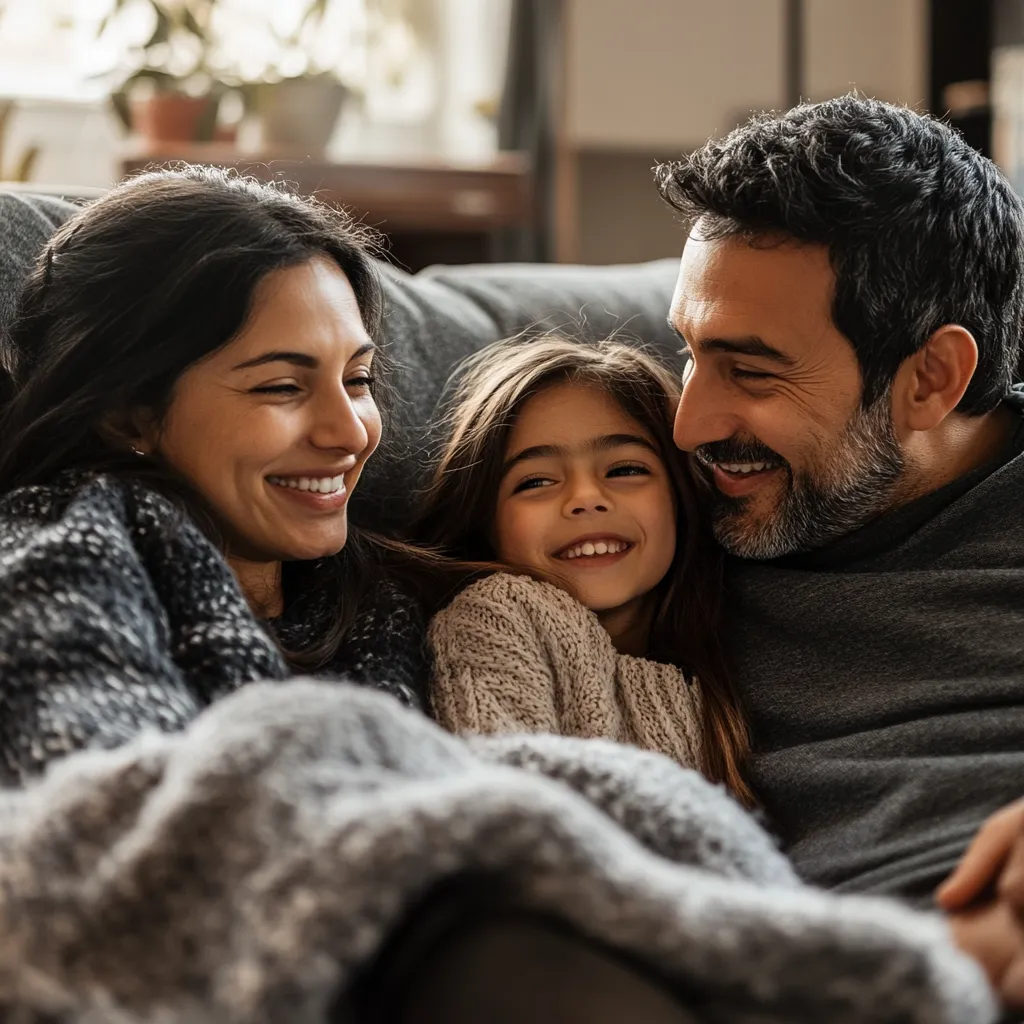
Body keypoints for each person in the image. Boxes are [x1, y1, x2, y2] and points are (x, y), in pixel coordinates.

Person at [658, 93, 1024, 1008]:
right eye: (691, 353)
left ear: (932, 379)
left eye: (751, 370)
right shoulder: (654, 519)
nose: (689, 422)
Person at [0, 165, 443, 785]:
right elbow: (112, 801)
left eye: (358, 380)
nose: (348, 433)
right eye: (282, 387)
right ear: (128, 414)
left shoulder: (386, 609)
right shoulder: (59, 555)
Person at [416, 334, 751, 803]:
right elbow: (507, 816)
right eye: (535, 481)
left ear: (680, 498)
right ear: (485, 522)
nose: (586, 499)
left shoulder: (734, 642)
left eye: (624, 470)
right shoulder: (498, 614)